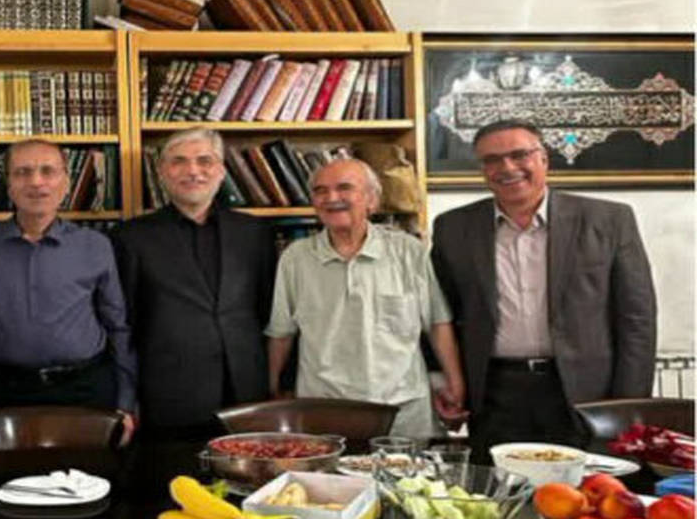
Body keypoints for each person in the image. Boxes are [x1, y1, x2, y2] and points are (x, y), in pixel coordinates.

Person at [430, 119, 657, 456]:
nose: (507, 168)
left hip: (586, 394)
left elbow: (637, 318)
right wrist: (443, 382)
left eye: (519, 155)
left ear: (544, 159)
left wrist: (629, 405)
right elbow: (439, 314)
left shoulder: (608, 220)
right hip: (495, 393)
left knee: (588, 486)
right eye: (492, 160)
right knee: (499, 485)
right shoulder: (453, 228)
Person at [265, 158, 468, 437]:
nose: (331, 198)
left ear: (372, 199)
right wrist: (273, 389)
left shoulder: (408, 251)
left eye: (344, 188)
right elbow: (281, 332)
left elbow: (437, 323)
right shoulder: (295, 258)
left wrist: (455, 384)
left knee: (410, 468)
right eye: (320, 191)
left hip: (403, 408)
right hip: (323, 408)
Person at [112, 128, 276, 438]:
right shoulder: (131, 238)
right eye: (179, 161)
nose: (193, 171)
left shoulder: (255, 233)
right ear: (162, 172)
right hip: (169, 397)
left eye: (205, 161)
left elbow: (270, 312)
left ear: (221, 171)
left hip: (247, 393)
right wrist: (126, 397)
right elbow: (124, 324)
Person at [0, 139, 137, 442]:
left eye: (48, 171)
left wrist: (125, 402)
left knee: (90, 472)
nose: (36, 182)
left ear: (65, 183)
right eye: (23, 172)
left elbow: (118, 327)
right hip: (3, 392)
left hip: (85, 390)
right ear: (8, 184)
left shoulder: (95, 245)